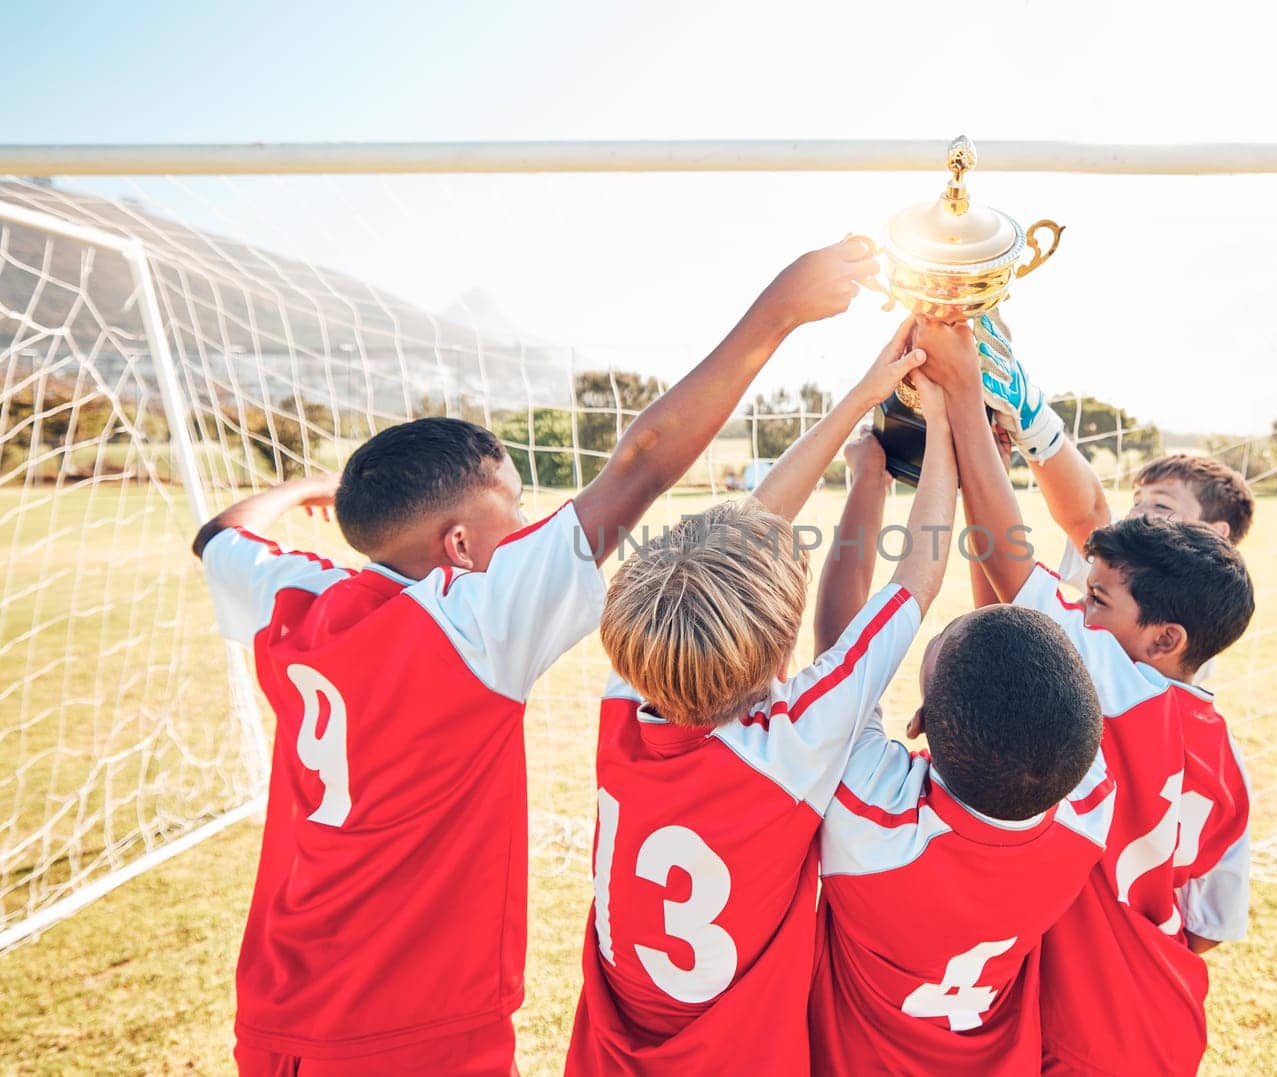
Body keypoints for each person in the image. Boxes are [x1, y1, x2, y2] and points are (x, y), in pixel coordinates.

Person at [195, 238, 880, 1076]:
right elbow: (640, 465)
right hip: (412, 1033)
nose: (527, 532)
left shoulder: (295, 598)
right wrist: (783, 307)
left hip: (277, 1015)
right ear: (456, 544)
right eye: (512, 516)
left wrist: (304, 495)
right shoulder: (470, 622)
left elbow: (220, 534)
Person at [565, 322, 957, 1075]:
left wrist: (861, 402)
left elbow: (756, 525)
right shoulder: (794, 740)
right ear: (781, 650)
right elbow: (916, 579)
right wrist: (944, 421)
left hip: (616, 1053)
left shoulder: (631, 693)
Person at [918, 317, 1255, 1077]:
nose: (1085, 613)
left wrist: (968, 402)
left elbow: (1014, 562)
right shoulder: (1225, 753)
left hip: (1078, 1018)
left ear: (1164, 637)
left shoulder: (1117, 679)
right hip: (1161, 1017)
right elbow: (1208, 925)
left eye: (1096, 602)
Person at [806, 423, 1112, 1076]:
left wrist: (869, 477)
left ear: (916, 723)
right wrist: (983, 474)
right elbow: (1015, 627)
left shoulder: (874, 822)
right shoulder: (1088, 802)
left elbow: (841, 649)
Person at [964, 313, 1254, 684]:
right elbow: (1002, 610)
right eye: (1138, 502)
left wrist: (1026, 416)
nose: (1138, 515)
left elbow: (1088, 516)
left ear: (1216, 534)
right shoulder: (1126, 583)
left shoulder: (1166, 605)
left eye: (1162, 506)